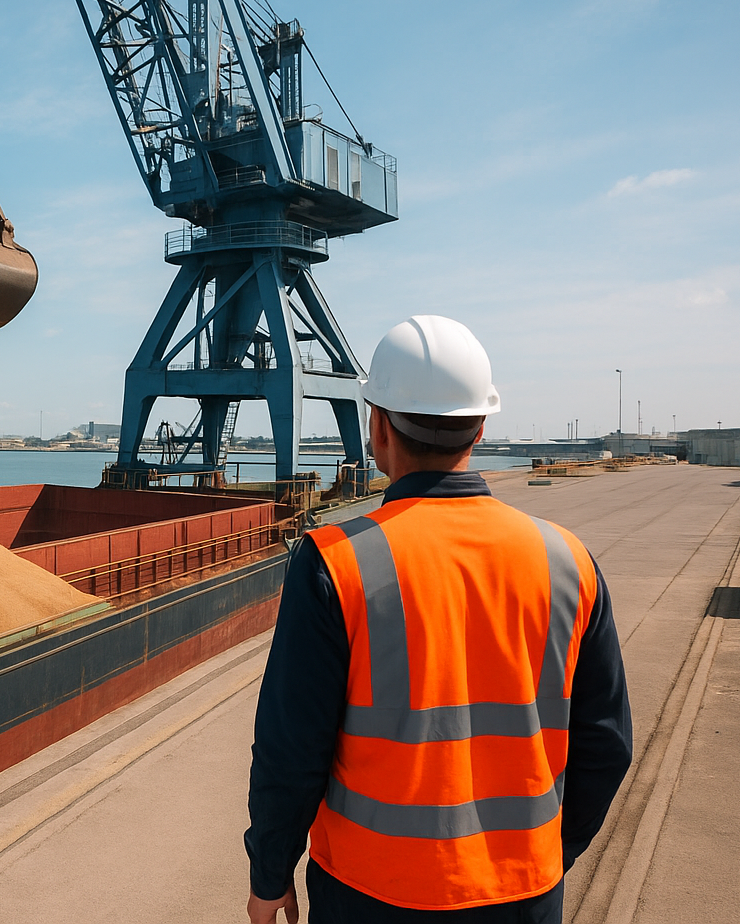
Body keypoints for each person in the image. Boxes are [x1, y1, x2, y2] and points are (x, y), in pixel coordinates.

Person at [244, 315, 632, 923]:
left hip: (368, 894)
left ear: (377, 427)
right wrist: (547, 855)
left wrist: (269, 874)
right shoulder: (568, 561)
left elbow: (290, 752)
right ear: (480, 426)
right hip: (523, 894)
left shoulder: (334, 563)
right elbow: (606, 747)